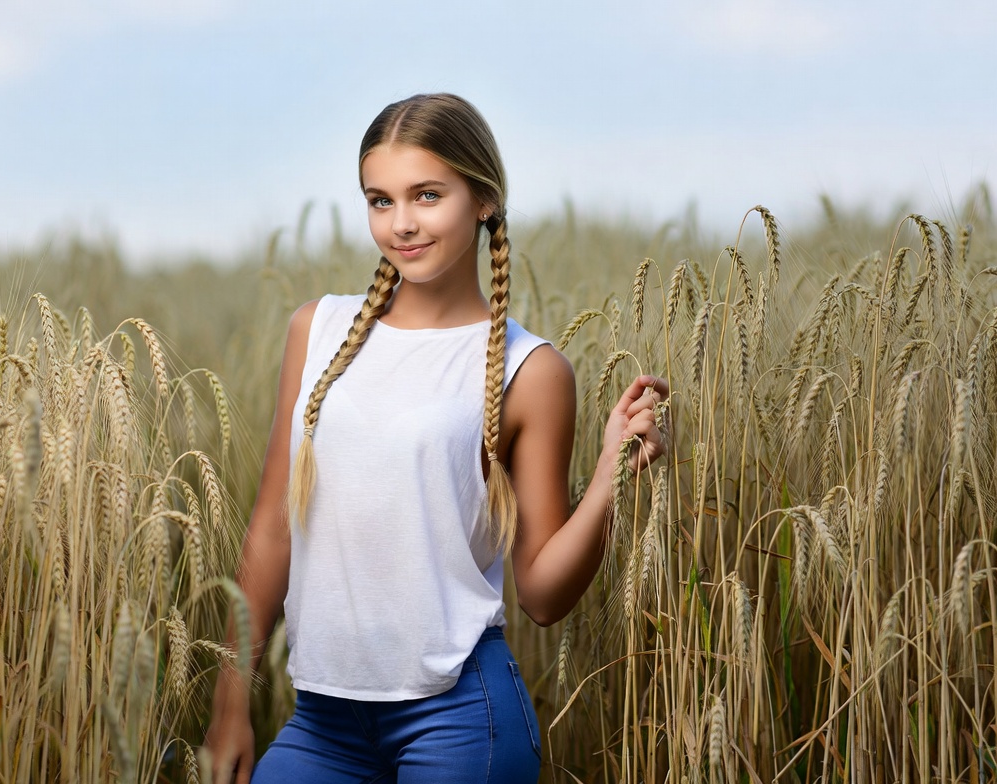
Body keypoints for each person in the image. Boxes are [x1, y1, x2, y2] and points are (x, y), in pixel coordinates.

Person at [204, 93, 668, 784]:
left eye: (426, 195)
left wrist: (608, 478)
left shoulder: (530, 370)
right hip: (323, 723)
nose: (402, 224)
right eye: (380, 200)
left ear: (483, 199)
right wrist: (230, 702)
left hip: (458, 718)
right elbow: (272, 529)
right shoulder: (317, 331)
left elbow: (541, 594)